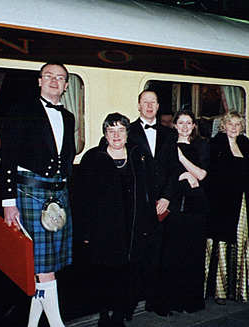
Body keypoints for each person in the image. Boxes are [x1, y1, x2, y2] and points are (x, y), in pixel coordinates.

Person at [0, 62, 75, 327]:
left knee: (44, 267)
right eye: (49, 76)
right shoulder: (22, 110)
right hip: (30, 193)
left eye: (61, 78)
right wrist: (9, 202)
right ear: (39, 81)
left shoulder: (68, 117)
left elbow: (66, 158)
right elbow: (7, 156)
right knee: (44, 268)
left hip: (58, 197)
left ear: (66, 86)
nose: (55, 81)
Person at [78, 113, 154, 327]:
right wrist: (85, 232)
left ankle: (120, 314)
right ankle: (104, 314)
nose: (116, 135)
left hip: (132, 229)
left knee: (127, 274)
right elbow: (81, 198)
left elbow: (149, 190)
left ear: (127, 134)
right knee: (103, 274)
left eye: (121, 130)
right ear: (105, 134)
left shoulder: (139, 156)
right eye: (111, 130)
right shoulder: (92, 158)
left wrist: (147, 223)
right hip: (102, 229)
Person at [127, 90, 176, 315]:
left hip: (162, 204)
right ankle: (129, 303)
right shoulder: (128, 131)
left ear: (158, 106)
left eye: (153, 102)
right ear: (138, 105)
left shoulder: (169, 133)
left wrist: (167, 197)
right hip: (138, 205)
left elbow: (173, 169)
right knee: (135, 255)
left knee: (160, 255)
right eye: (144, 102)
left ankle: (156, 302)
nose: (148, 106)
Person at [157, 109, 209, 314]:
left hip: (197, 207)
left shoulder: (202, 145)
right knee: (173, 255)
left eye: (189, 123)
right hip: (176, 206)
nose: (185, 126)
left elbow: (202, 174)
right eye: (181, 123)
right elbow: (162, 175)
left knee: (193, 255)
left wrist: (184, 163)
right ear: (175, 125)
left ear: (194, 126)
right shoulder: (165, 147)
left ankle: (190, 301)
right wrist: (185, 176)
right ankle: (172, 301)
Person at [205, 111, 249, 304]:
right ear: (223, 125)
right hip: (220, 202)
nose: (234, 127)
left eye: (237, 124)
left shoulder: (245, 144)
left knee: (240, 243)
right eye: (230, 124)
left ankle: (238, 289)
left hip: (240, 201)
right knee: (221, 245)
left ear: (242, 127)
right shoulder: (215, 144)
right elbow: (210, 175)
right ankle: (220, 291)